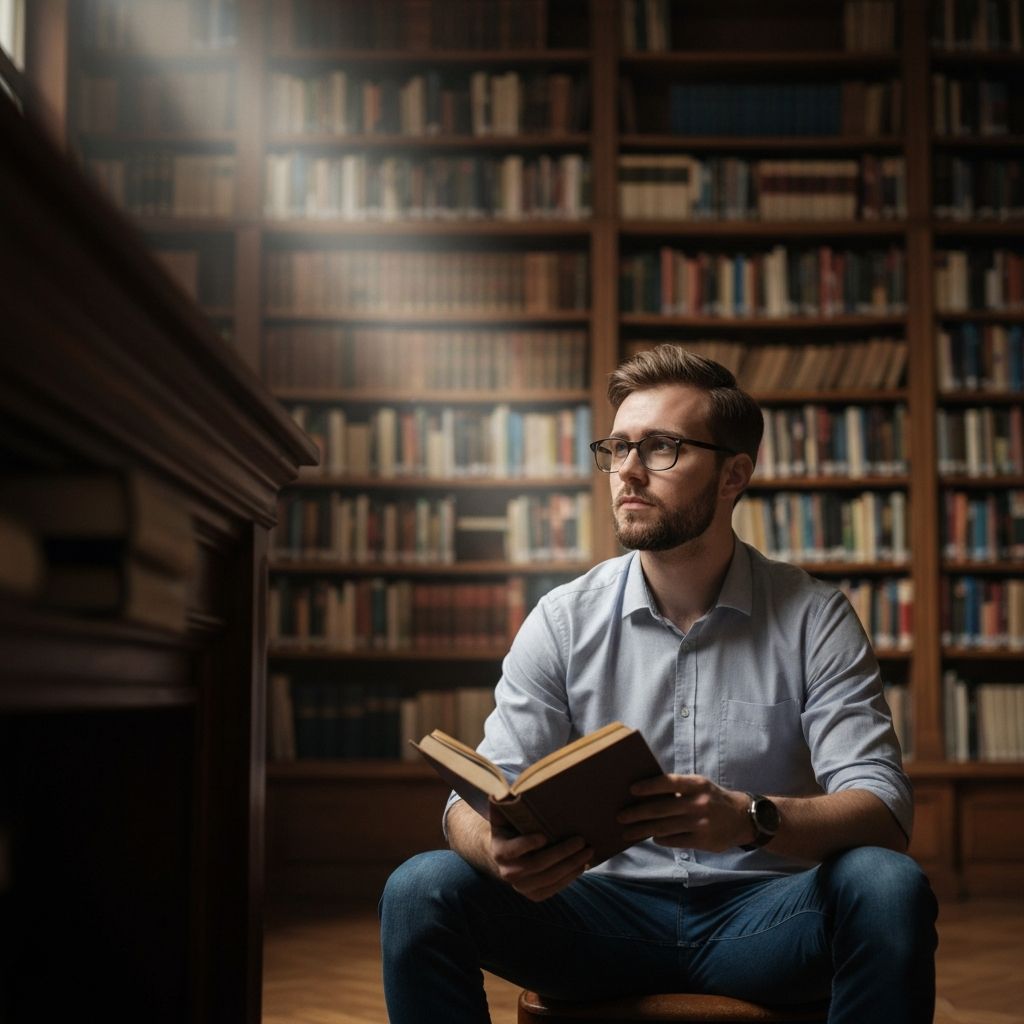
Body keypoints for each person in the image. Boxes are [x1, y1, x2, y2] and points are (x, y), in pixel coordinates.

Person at [379, 345, 937, 1024]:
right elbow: (473, 799)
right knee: (419, 887)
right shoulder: (563, 619)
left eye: (662, 448)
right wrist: (497, 852)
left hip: (764, 922)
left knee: (888, 884)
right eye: (617, 448)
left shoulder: (814, 616)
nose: (628, 473)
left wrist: (749, 819)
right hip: (595, 920)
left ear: (734, 474)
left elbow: (884, 810)